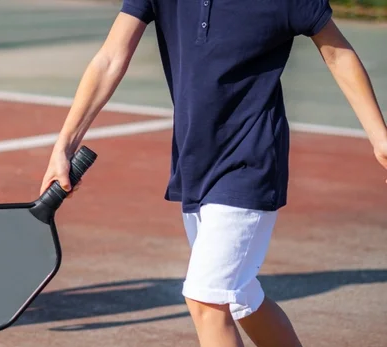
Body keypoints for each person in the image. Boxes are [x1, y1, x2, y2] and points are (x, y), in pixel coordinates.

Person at [38, 1, 387, 346]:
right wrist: (64, 144)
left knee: (205, 299)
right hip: (195, 161)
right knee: (239, 298)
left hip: (251, 160)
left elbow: (339, 55)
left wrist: (380, 137)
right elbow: (110, 57)